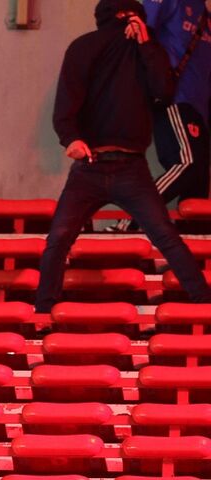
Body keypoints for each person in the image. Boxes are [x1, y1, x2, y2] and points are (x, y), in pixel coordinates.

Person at [36, 0, 211, 312]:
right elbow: (68, 103)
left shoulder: (144, 51)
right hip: (99, 165)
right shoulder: (89, 47)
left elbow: (163, 91)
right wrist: (71, 139)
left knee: (163, 236)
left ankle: (204, 302)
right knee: (60, 237)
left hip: (124, 166)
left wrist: (146, 44)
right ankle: (43, 311)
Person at [110, 0, 211, 230]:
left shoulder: (204, 13)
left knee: (198, 181)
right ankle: (127, 222)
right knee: (187, 162)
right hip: (175, 99)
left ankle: (190, 245)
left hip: (200, 109)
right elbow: (137, 33)